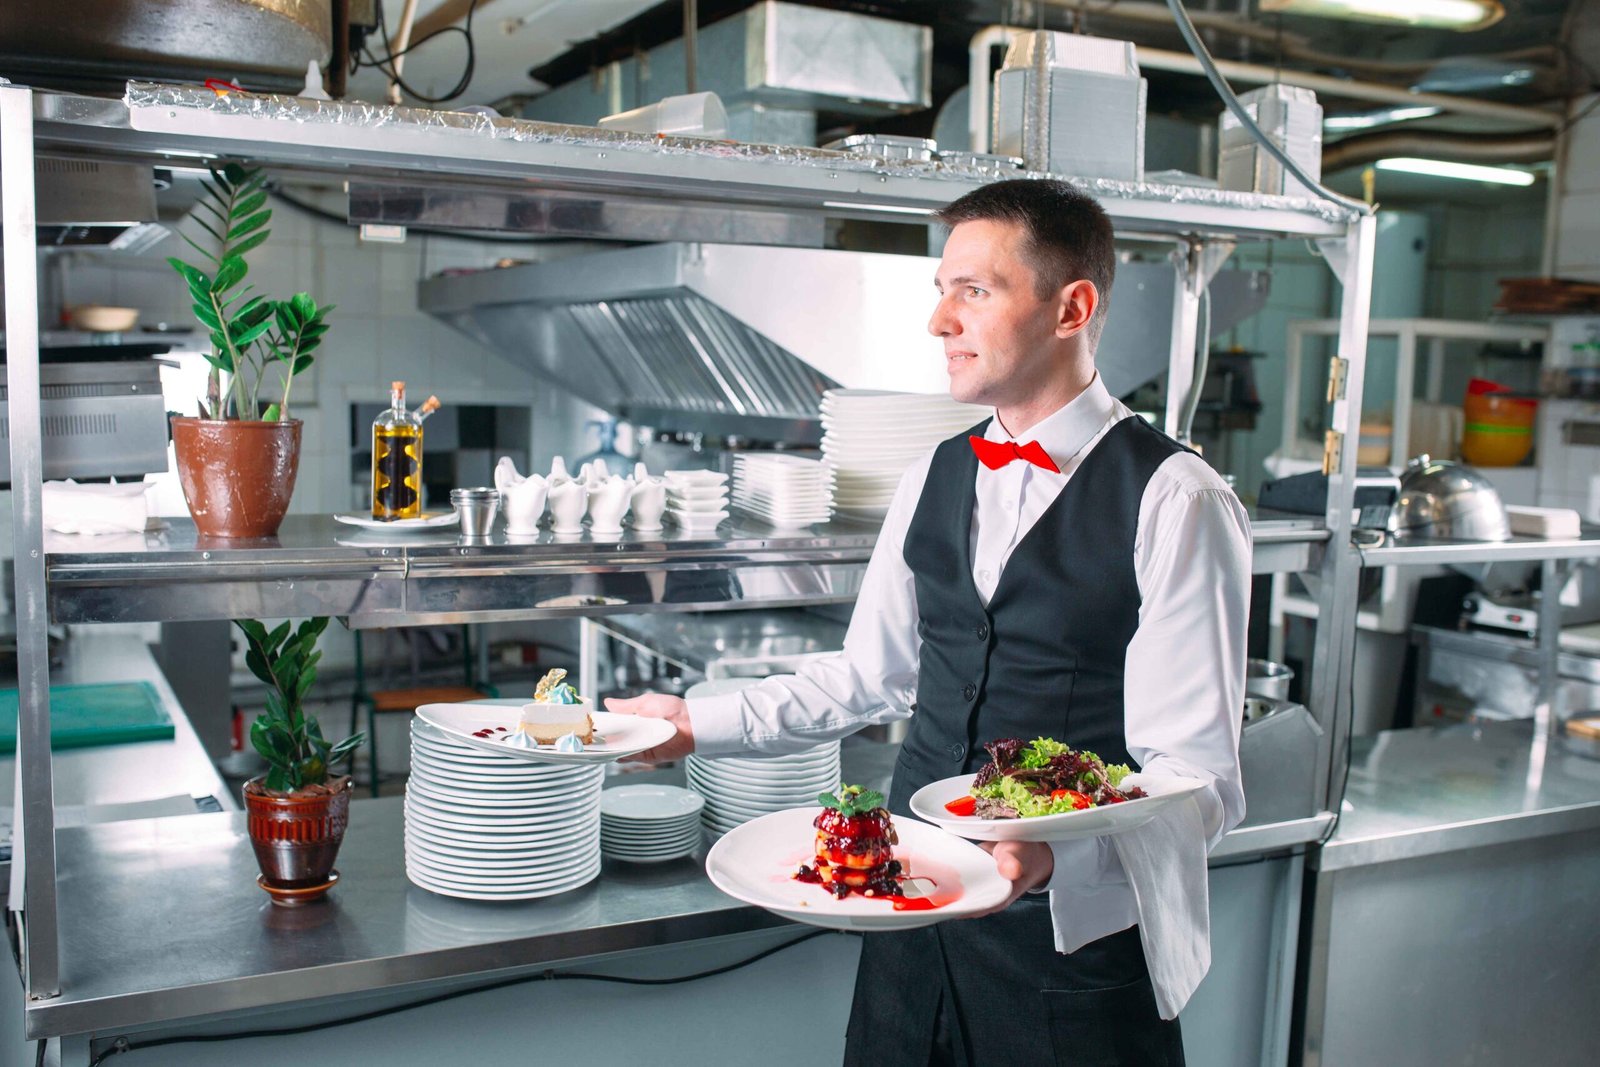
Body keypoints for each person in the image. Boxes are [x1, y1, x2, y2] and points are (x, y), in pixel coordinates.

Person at [607, 179, 1248, 1066]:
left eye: (973, 290)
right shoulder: (933, 473)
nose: (940, 321)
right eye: (940, 290)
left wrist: (1055, 858)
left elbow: (1201, 783)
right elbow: (866, 677)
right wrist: (692, 723)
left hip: (1067, 950)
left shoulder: (1178, 497)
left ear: (1073, 308)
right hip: (911, 928)